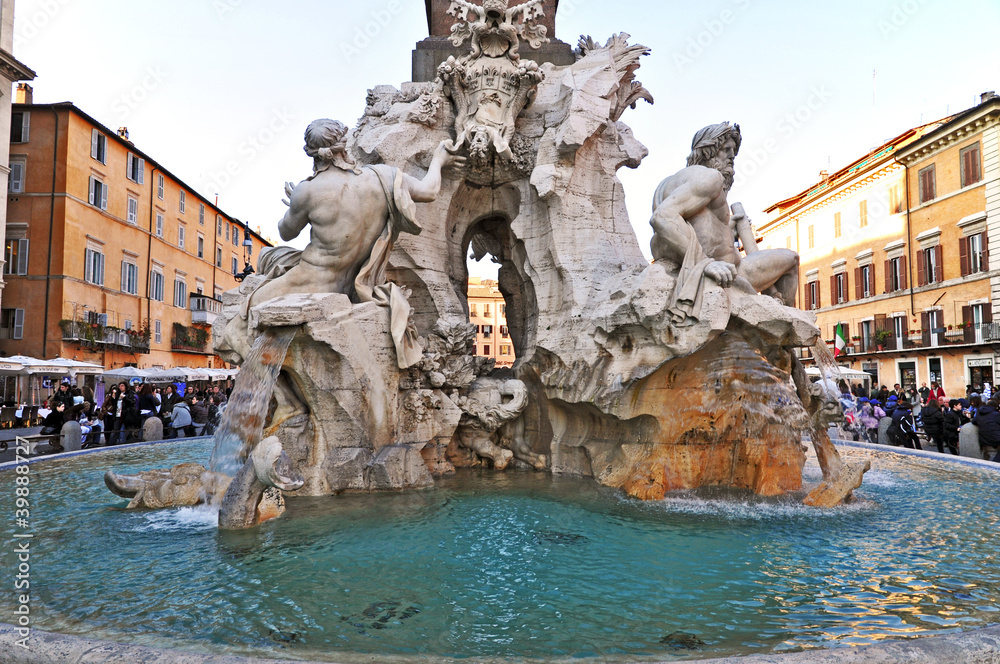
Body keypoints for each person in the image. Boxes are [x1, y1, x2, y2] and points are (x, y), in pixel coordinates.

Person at [219, 120, 465, 369]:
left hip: (311, 281)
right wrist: (439, 159)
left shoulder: (308, 191)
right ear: (344, 144)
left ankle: (287, 399)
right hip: (353, 283)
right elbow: (429, 190)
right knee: (275, 259)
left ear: (311, 152)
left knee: (234, 331)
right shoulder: (383, 177)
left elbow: (286, 232)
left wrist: (296, 201)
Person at [649, 122, 799, 322]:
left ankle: (785, 321)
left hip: (724, 267)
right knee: (792, 259)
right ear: (708, 152)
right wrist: (705, 263)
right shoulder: (710, 177)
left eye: (733, 153)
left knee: (786, 259)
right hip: (727, 271)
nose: (731, 158)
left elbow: (696, 227)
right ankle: (789, 327)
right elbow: (663, 217)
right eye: (725, 150)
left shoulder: (674, 181)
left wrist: (728, 231)